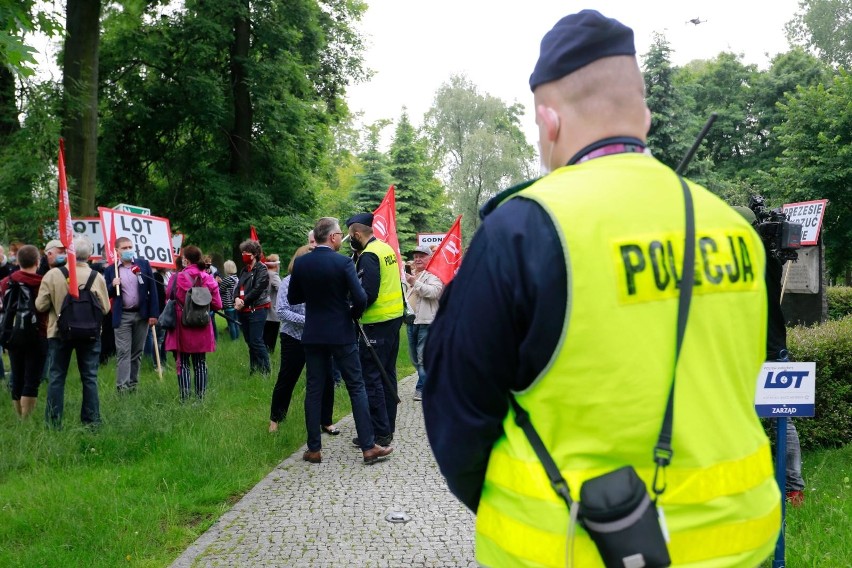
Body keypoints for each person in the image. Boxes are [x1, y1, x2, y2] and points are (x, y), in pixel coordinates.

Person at [423, 10, 780, 567]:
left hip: (574, 546)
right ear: (645, 114)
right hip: (739, 542)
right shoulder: (732, 228)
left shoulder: (523, 229)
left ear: (550, 121)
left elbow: (456, 418)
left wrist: (515, 504)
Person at [288, 217, 392, 465]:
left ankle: (314, 449)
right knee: (356, 387)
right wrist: (351, 314)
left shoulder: (302, 263)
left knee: (314, 389)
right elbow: (361, 297)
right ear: (333, 237)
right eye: (339, 236)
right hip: (341, 334)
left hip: (313, 334)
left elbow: (293, 297)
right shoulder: (344, 262)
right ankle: (368, 447)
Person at [734, 205, 807, 507]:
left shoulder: (740, 260)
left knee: (740, 416)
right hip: (774, 348)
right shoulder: (769, 258)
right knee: (783, 420)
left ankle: (752, 482)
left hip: (748, 351)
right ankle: (793, 489)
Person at [35, 236, 109, 428]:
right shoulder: (97, 277)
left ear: (69, 253)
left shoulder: (52, 275)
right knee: (90, 377)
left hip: (59, 332)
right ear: (89, 255)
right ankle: (92, 422)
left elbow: (41, 306)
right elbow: (105, 308)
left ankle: (53, 423)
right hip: (91, 333)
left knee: (57, 377)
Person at [346, 213, 404, 447]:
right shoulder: (386, 249)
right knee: (388, 374)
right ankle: (387, 427)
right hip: (392, 320)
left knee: (372, 379)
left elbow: (367, 294)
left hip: (375, 324)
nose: (350, 239)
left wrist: (351, 311)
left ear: (357, 234)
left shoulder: (369, 255)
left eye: (350, 235)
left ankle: (379, 434)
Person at [268, 246, 337, 435]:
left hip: (319, 337)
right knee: (287, 378)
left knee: (327, 378)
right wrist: (308, 321)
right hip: (293, 337)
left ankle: (326, 420)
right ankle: (275, 419)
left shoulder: (322, 282)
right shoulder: (288, 282)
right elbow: (281, 310)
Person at [164, 246, 223, 401]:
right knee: (200, 363)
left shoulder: (177, 277)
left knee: (182, 363)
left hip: (182, 324)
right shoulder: (208, 278)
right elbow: (218, 304)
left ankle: (184, 399)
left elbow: (169, 296)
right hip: (202, 324)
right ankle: (200, 399)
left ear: (186, 260)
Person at [104, 237, 160, 393]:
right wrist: (111, 285)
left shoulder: (142, 265)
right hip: (122, 316)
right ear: (117, 251)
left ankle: (133, 385)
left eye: (130, 247)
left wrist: (153, 313)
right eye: (124, 248)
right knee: (123, 352)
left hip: (141, 315)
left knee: (137, 352)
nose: (128, 250)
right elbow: (105, 293)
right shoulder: (111, 270)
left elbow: (152, 289)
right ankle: (122, 387)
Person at [0, 245, 48, 417]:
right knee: (32, 379)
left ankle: (19, 416)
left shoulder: (6, 282)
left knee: (17, 376)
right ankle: (26, 420)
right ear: (38, 261)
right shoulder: (42, 282)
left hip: (13, 334)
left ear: (17, 261)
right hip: (38, 333)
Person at [404, 245, 443, 401]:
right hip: (411, 321)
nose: (418, 259)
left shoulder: (435, 274)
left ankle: (425, 389)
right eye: (416, 256)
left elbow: (434, 292)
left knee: (422, 357)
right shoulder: (412, 274)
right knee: (414, 358)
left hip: (426, 321)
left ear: (429, 258)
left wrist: (415, 283)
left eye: (422, 256)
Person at [235, 240, 271, 375]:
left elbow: (258, 289)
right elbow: (238, 287)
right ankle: (254, 369)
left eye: (246, 253)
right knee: (250, 342)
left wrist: (243, 301)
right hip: (244, 310)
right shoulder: (244, 270)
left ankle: (265, 371)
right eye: (242, 252)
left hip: (257, 309)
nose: (243, 255)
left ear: (254, 254)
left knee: (256, 341)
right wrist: (236, 298)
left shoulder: (262, 269)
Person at [263, 253, 282, 354]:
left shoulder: (264, 274)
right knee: (271, 338)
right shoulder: (274, 275)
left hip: (264, 311)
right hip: (272, 312)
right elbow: (282, 290)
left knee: (265, 336)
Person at [218, 260, 240, 340]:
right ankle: (237, 338)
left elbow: (220, 291)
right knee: (236, 322)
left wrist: (220, 282)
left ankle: (234, 340)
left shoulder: (227, 279)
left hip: (228, 304)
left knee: (231, 323)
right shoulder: (236, 278)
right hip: (236, 304)